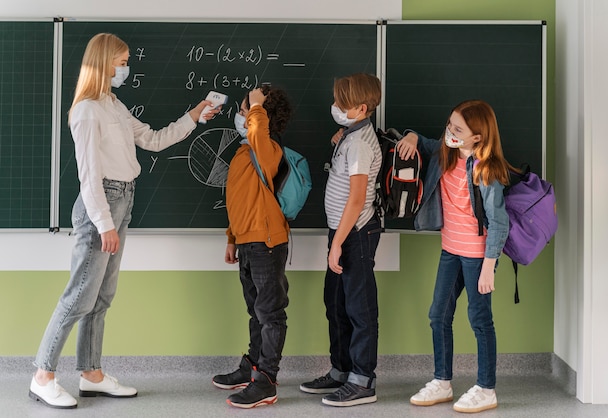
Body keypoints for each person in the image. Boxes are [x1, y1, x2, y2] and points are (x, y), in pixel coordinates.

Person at [28, 32, 218, 410]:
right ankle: (42, 375)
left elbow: (154, 139)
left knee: (101, 297)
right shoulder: (86, 111)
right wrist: (104, 224)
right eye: (122, 61)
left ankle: (91, 374)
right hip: (102, 204)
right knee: (79, 295)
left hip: (124, 199)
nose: (126, 68)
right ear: (103, 62)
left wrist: (195, 116)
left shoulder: (113, 104)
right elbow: (89, 175)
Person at [398, 100, 510, 413]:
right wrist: (410, 136)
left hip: (477, 256)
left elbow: (499, 222)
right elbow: (421, 141)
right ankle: (442, 382)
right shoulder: (445, 153)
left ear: (478, 137)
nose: (450, 132)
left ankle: (487, 388)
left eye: (458, 129)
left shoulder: (487, 170)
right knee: (438, 314)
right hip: (451, 250)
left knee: (479, 319)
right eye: (450, 124)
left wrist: (489, 266)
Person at [299, 73, 382, 407]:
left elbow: (357, 198)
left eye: (341, 104)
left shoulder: (360, 143)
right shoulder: (352, 134)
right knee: (335, 303)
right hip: (342, 233)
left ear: (361, 108)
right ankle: (341, 370)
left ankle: (363, 381)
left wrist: (337, 244)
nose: (334, 107)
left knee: (359, 308)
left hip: (355, 234)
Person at [212, 86, 293, 409]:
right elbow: (239, 202)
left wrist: (257, 107)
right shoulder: (245, 151)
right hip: (247, 242)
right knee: (255, 311)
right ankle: (253, 367)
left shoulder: (267, 148)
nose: (242, 113)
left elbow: (259, 132)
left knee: (270, 313)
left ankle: (267, 382)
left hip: (267, 242)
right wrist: (232, 238)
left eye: (246, 108)